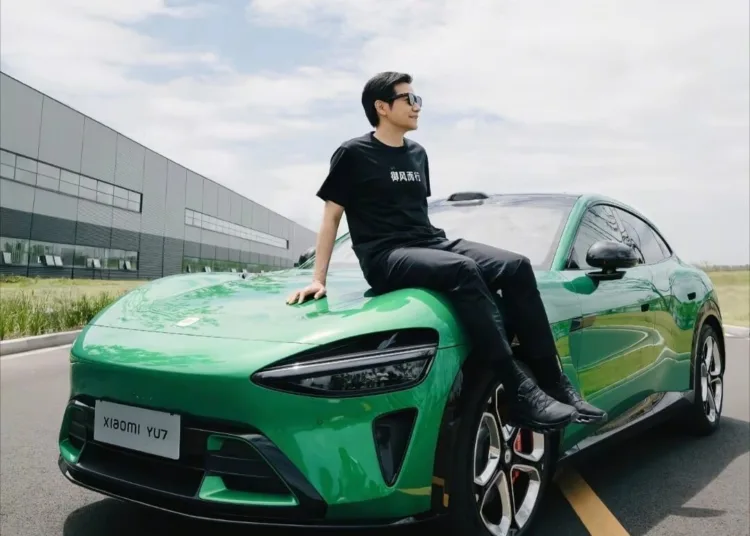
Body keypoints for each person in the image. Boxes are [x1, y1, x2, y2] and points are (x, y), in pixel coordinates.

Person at [286, 72, 606, 432]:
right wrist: (318, 278)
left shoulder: (417, 154)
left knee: (516, 266)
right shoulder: (353, 154)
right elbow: (331, 216)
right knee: (462, 270)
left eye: (417, 99)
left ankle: (554, 382)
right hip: (386, 255)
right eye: (409, 99)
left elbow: (415, 214)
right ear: (381, 107)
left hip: (428, 241)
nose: (417, 106)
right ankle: (518, 391)